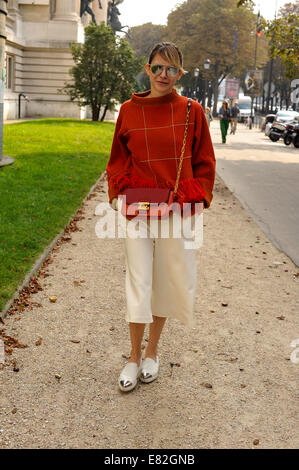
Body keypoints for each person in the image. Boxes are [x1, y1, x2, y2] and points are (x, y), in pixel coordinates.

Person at [106, 42, 216, 392]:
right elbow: (117, 158)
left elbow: (204, 160)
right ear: (147, 69)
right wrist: (116, 195)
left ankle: (152, 351)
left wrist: (198, 197)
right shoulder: (127, 110)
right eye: (157, 68)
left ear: (180, 73)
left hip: (177, 206)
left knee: (167, 278)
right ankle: (133, 356)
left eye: (171, 69)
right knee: (138, 279)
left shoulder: (191, 110)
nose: (163, 75)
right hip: (137, 206)